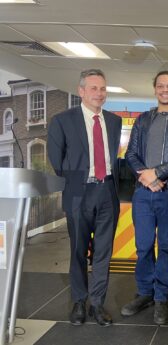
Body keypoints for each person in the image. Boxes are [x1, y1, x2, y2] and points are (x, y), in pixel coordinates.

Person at [122, 71, 168, 324]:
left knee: (165, 247)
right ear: (154, 89)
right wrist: (146, 177)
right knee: (143, 246)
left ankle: (162, 298)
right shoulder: (143, 119)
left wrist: (158, 173)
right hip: (143, 194)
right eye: (161, 86)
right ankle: (145, 293)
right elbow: (131, 154)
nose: (166, 90)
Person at [47, 69, 122, 326]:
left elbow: (113, 158)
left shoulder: (114, 121)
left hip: (107, 192)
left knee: (103, 252)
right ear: (81, 91)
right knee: (79, 250)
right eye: (94, 88)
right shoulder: (62, 120)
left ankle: (97, 304)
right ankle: (79, 301)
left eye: (103, 89)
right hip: (79, 191)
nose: (99, 94)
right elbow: (57, 162)